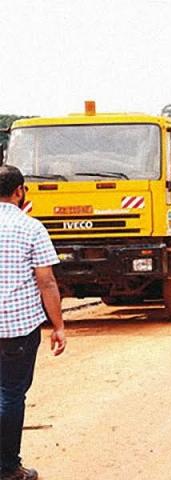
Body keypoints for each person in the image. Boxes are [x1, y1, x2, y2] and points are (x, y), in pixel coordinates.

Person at [0, 165, 67, 480]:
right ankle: (8, 468)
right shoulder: (31, 228)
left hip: (16, 331)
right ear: (20, 191)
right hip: (16, 331)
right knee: (11, 394)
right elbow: (47, 282)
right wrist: (59, 326)